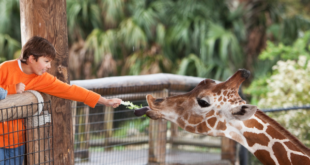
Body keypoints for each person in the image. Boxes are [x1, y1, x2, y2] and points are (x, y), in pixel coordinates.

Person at [0, 36, 122, 165]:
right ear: (31, 59)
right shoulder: (5, 68)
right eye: (46, 61)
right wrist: (12, 89)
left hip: (18, 142)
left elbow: (70, 90)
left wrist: (105, 101)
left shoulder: (42, 78)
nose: (49, 66)